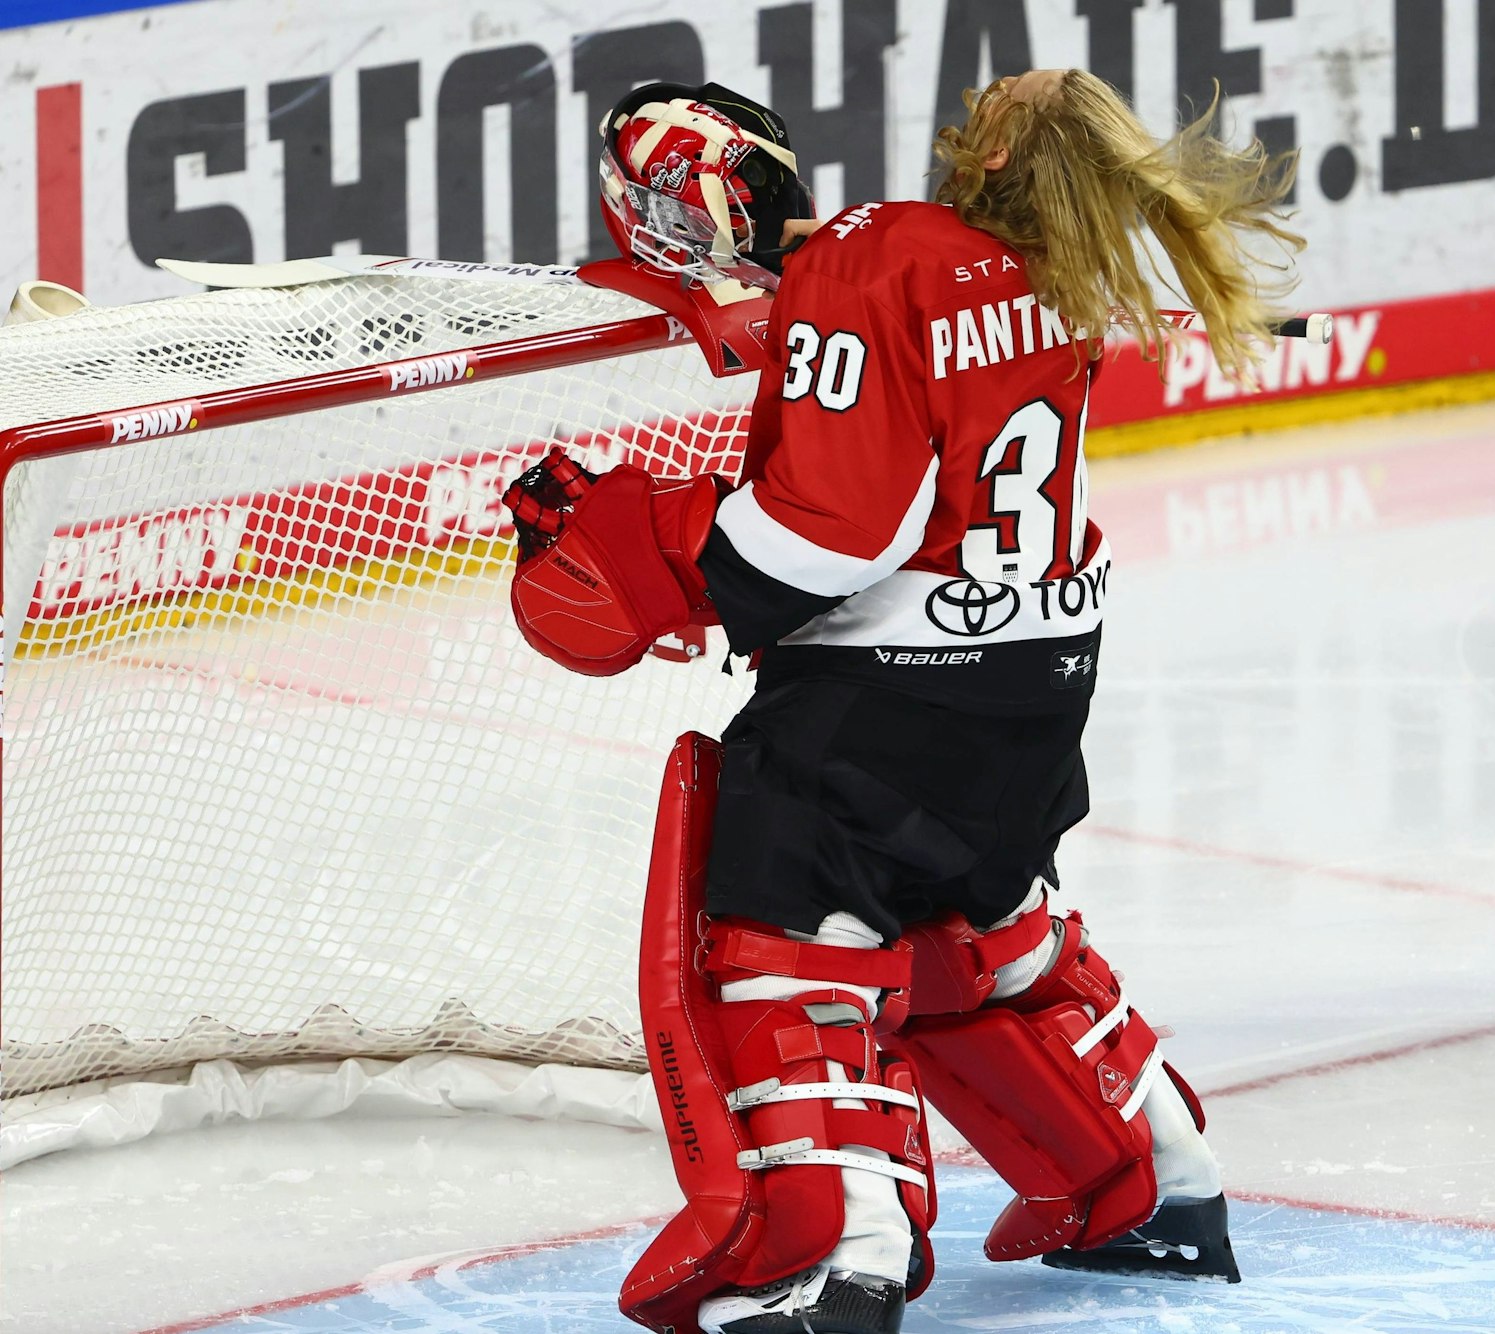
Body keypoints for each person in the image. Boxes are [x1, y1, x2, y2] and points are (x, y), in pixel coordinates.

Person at [507, 70, 1299, 1334]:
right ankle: (1151, 1181)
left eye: (1002, 100)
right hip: (1040, 668)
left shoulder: (875, 253)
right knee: (972, 928)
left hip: (891, 685)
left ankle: (833, 1259)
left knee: (785, 941)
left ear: (996, 156)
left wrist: (661, 550)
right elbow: (913, 379)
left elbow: (836, 532)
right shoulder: (1054, 269)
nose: (981, 94)